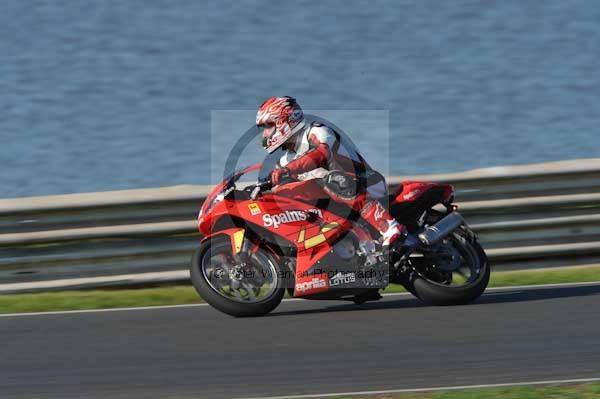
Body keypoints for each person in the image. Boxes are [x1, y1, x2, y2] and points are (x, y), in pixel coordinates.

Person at [256, 96, 405, 249]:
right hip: (337, 202)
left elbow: (321, 154)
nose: (265, 135)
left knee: (334, 180)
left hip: (366, 183)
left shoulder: (318, 131)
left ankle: (388, 226)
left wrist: (288, 170)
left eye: (268, 126)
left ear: (284, 120)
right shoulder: (284, 161)